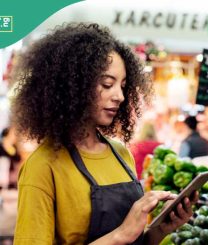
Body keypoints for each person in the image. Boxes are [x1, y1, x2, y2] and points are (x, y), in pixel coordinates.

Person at [12, 23, 198, 245]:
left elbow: (134, 241)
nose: (119, 96)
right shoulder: (43, 166)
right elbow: (124, 236)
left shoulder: (120, 153)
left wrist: (159, 230)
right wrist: (120, 235)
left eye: (123, 85)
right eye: (107, 84)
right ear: (72, 86)